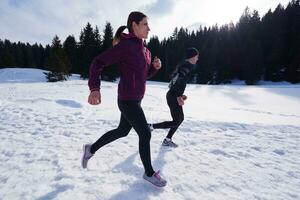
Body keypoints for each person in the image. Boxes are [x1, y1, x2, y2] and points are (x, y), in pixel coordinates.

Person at [81, 11, 167, 187]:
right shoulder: (126, 46)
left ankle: (91, 149)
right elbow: (98, 62)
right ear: (134, 25)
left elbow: (143, 75)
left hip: (136, 99)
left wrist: (155, 68)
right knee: (145, 133)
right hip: (127, 100)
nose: (149, 28)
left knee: (122, 131)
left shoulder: (146, 50)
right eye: (145, 24)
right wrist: (94, 88)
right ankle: (149, 173)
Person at [148, 47, 199, 148]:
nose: (197, 59)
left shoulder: (186, 66)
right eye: (196, 57)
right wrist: (178, 96)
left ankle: (167, 139)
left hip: (173, 95)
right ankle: (151, 127)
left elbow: (175, 82)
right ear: (192, 57)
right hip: (173, 96)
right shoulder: (185, 68)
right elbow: (177, 81)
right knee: (177, 120)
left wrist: (180, 95)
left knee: (180, 119)